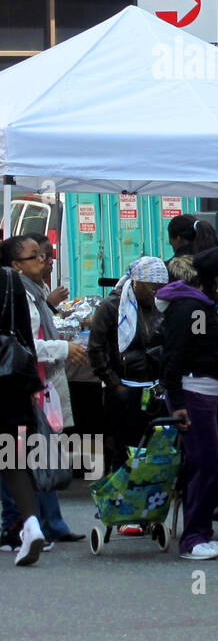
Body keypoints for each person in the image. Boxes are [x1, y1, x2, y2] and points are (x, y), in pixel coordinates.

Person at [0, 235, 87, 544]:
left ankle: (47, 523)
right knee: (20, 456)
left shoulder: (37, 292)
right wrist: (62, 347)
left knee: (36, 453)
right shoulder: (18, 294)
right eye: (35, 256)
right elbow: (24, 344)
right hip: (23, 384)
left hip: (38, 384)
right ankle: (22, 523)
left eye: (44, 255)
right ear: (15, 266)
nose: (44, 260)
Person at [158, 246, 218, 561]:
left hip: (206, 392)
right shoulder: (193, 309)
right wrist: (177, 400)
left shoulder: (198, 306)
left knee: (205, 464)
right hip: (195, 394)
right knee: (205, 464)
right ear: (217, 281)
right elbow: (175, 355)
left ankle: (200, 533)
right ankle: (193, 539)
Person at [88, 255, 169, 533]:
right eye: (151, 286)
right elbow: (96, 348)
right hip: (123, 391)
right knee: (124, 450)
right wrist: (113, 384)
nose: (157, 292)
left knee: (151, 453)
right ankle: (119, 508)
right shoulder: (111, 308)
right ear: (135, 282)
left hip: (153, 389)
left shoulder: (161, 307)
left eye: (161, 286)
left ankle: (146, 509)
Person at [0, 267, 45, 566]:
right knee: (12, 459)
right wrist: (32, 384)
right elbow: (25, 336)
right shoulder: (9, 278)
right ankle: (31, 524)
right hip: (11, 379)